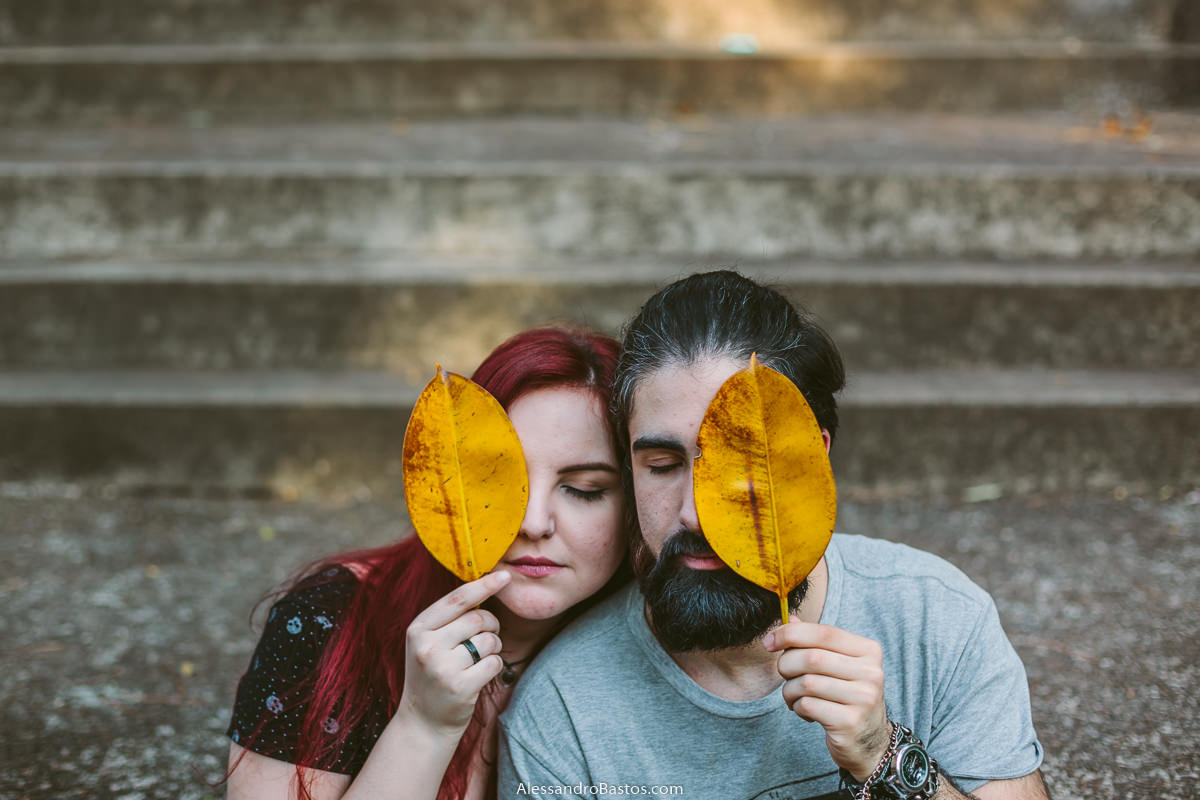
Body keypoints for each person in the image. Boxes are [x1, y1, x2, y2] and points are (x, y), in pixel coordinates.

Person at [499, 272, 1049, 800]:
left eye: (741, 467)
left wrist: (884, 759)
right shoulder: (562, 715)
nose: (694, 514)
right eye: (663, 465)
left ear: (814, 462)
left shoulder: (936, 620)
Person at [222, 327, 630, 800]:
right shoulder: (328, 621)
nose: (534, 522)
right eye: (497, 481)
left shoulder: (657, 648)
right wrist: (423, 724)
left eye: (585, 489)